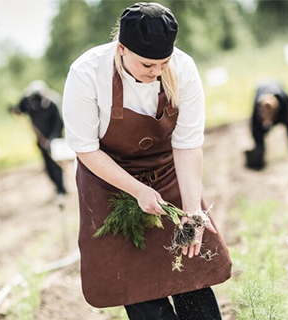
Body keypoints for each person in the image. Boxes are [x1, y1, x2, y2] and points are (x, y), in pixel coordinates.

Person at [62, 3, 231, 319]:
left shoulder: (183, 69)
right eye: (147, 65)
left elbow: (187, 143)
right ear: (121, 49)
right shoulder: (86, 74)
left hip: (167, 171)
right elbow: (85, 149)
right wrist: (137, 190)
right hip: (108, 180)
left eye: (163, 63)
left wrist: (192, 211)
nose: (156, 72)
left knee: (189, 267)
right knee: (134, 280)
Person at [10, 80, 68, 199]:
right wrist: (14, 110)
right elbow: (19, 109)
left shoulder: (52, 103)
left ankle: (61, 189)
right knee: (48, 165)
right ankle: (56, 187)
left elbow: (59, 123)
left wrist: (51, 140)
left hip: (55, 139)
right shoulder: (27, 101)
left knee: (56, 164)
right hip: (41, 139)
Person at [245, 79, 288, 170]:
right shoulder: (257, 108)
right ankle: (260, 158)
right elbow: (254, 129)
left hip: (280, 96)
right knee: (258, 131)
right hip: (262, 92)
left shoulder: (283, 102)